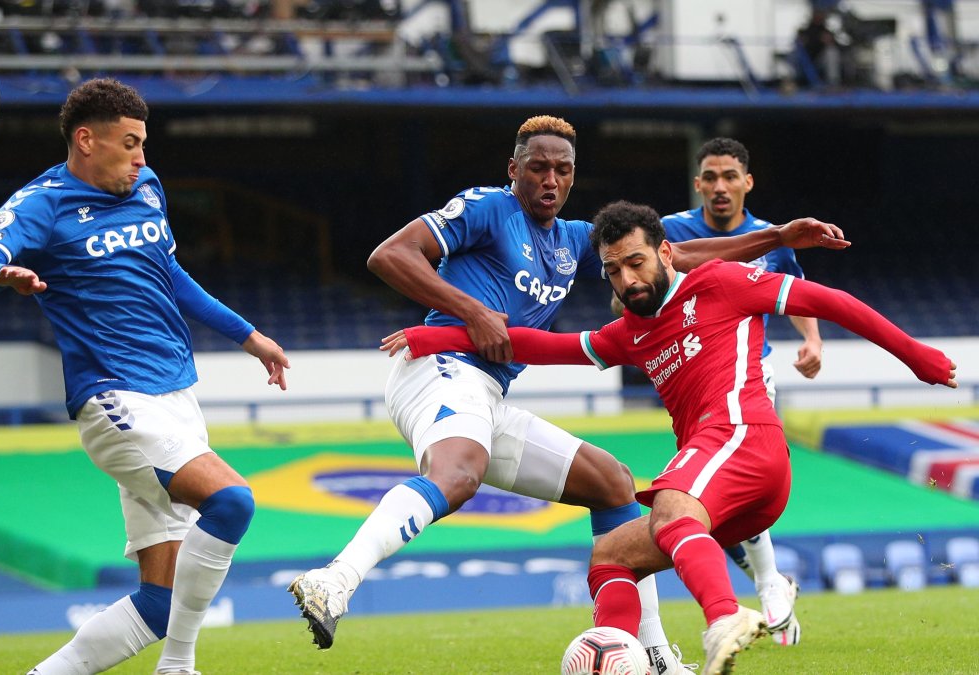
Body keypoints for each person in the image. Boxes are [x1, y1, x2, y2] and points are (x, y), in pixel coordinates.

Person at [287, 115, 849, 675]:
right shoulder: (489, 207)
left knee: (613, 484)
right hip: (438, 367)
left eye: (562, 170)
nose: (550, 180)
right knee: (458, 475)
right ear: (514, 170)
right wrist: (473, 311)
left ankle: (653, 657)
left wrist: (774, 238)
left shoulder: (572, 241)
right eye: (537, 168)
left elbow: (676, 253)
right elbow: (390, 255)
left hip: (488, 393)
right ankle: (334, 581)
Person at [386, 200, 956, 674]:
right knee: (611, 555)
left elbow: (827, 301)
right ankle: (616, 655)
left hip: (745, 439)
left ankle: (724, 616)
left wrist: (915, 355)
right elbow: (544, 346)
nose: (627, 279)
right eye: (613, 271)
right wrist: (430, 337)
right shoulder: (630, 333)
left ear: (664, 253)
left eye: (636, 262)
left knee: (669, 502)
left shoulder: (719, 282)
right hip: (725, 486)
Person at [0, 78, 289, 675]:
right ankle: (180, 667)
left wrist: (248, 335)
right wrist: (3, 274)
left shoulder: (147, 188)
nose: (142, 158)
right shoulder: (44, 203)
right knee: (233, 503)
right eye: (130, 143)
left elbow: (170, 274)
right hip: (116, 401)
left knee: (156, 604)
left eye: (144, 144)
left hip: (177, 394)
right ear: (86, 140)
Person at [660, 137, 816, 645]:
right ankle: (776, 588)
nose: (720, 186)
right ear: (698, 183)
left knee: (733, 485)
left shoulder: (771, 240)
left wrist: (812, 339)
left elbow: (795, 292)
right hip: (691, 384)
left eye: (730, 176)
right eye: (711, 176)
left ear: (747, 182)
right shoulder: (671, 235)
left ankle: (769, 583)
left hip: (749, 378)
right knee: (712, 511)